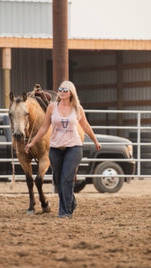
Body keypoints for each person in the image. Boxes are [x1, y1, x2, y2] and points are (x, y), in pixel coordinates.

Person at [25, 80, 101, 218]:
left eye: (65, 90)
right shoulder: (52, 107)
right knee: (58, 179)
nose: (61, 92)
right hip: (55, 148)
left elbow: (86, 126)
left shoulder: (77, 109)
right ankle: (71, 202)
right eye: (60, 89)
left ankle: (65, 212)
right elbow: (44, 127)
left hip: (74, 147)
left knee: (67, 178)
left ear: (71, 92)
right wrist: (32, 142)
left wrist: (95, 141)